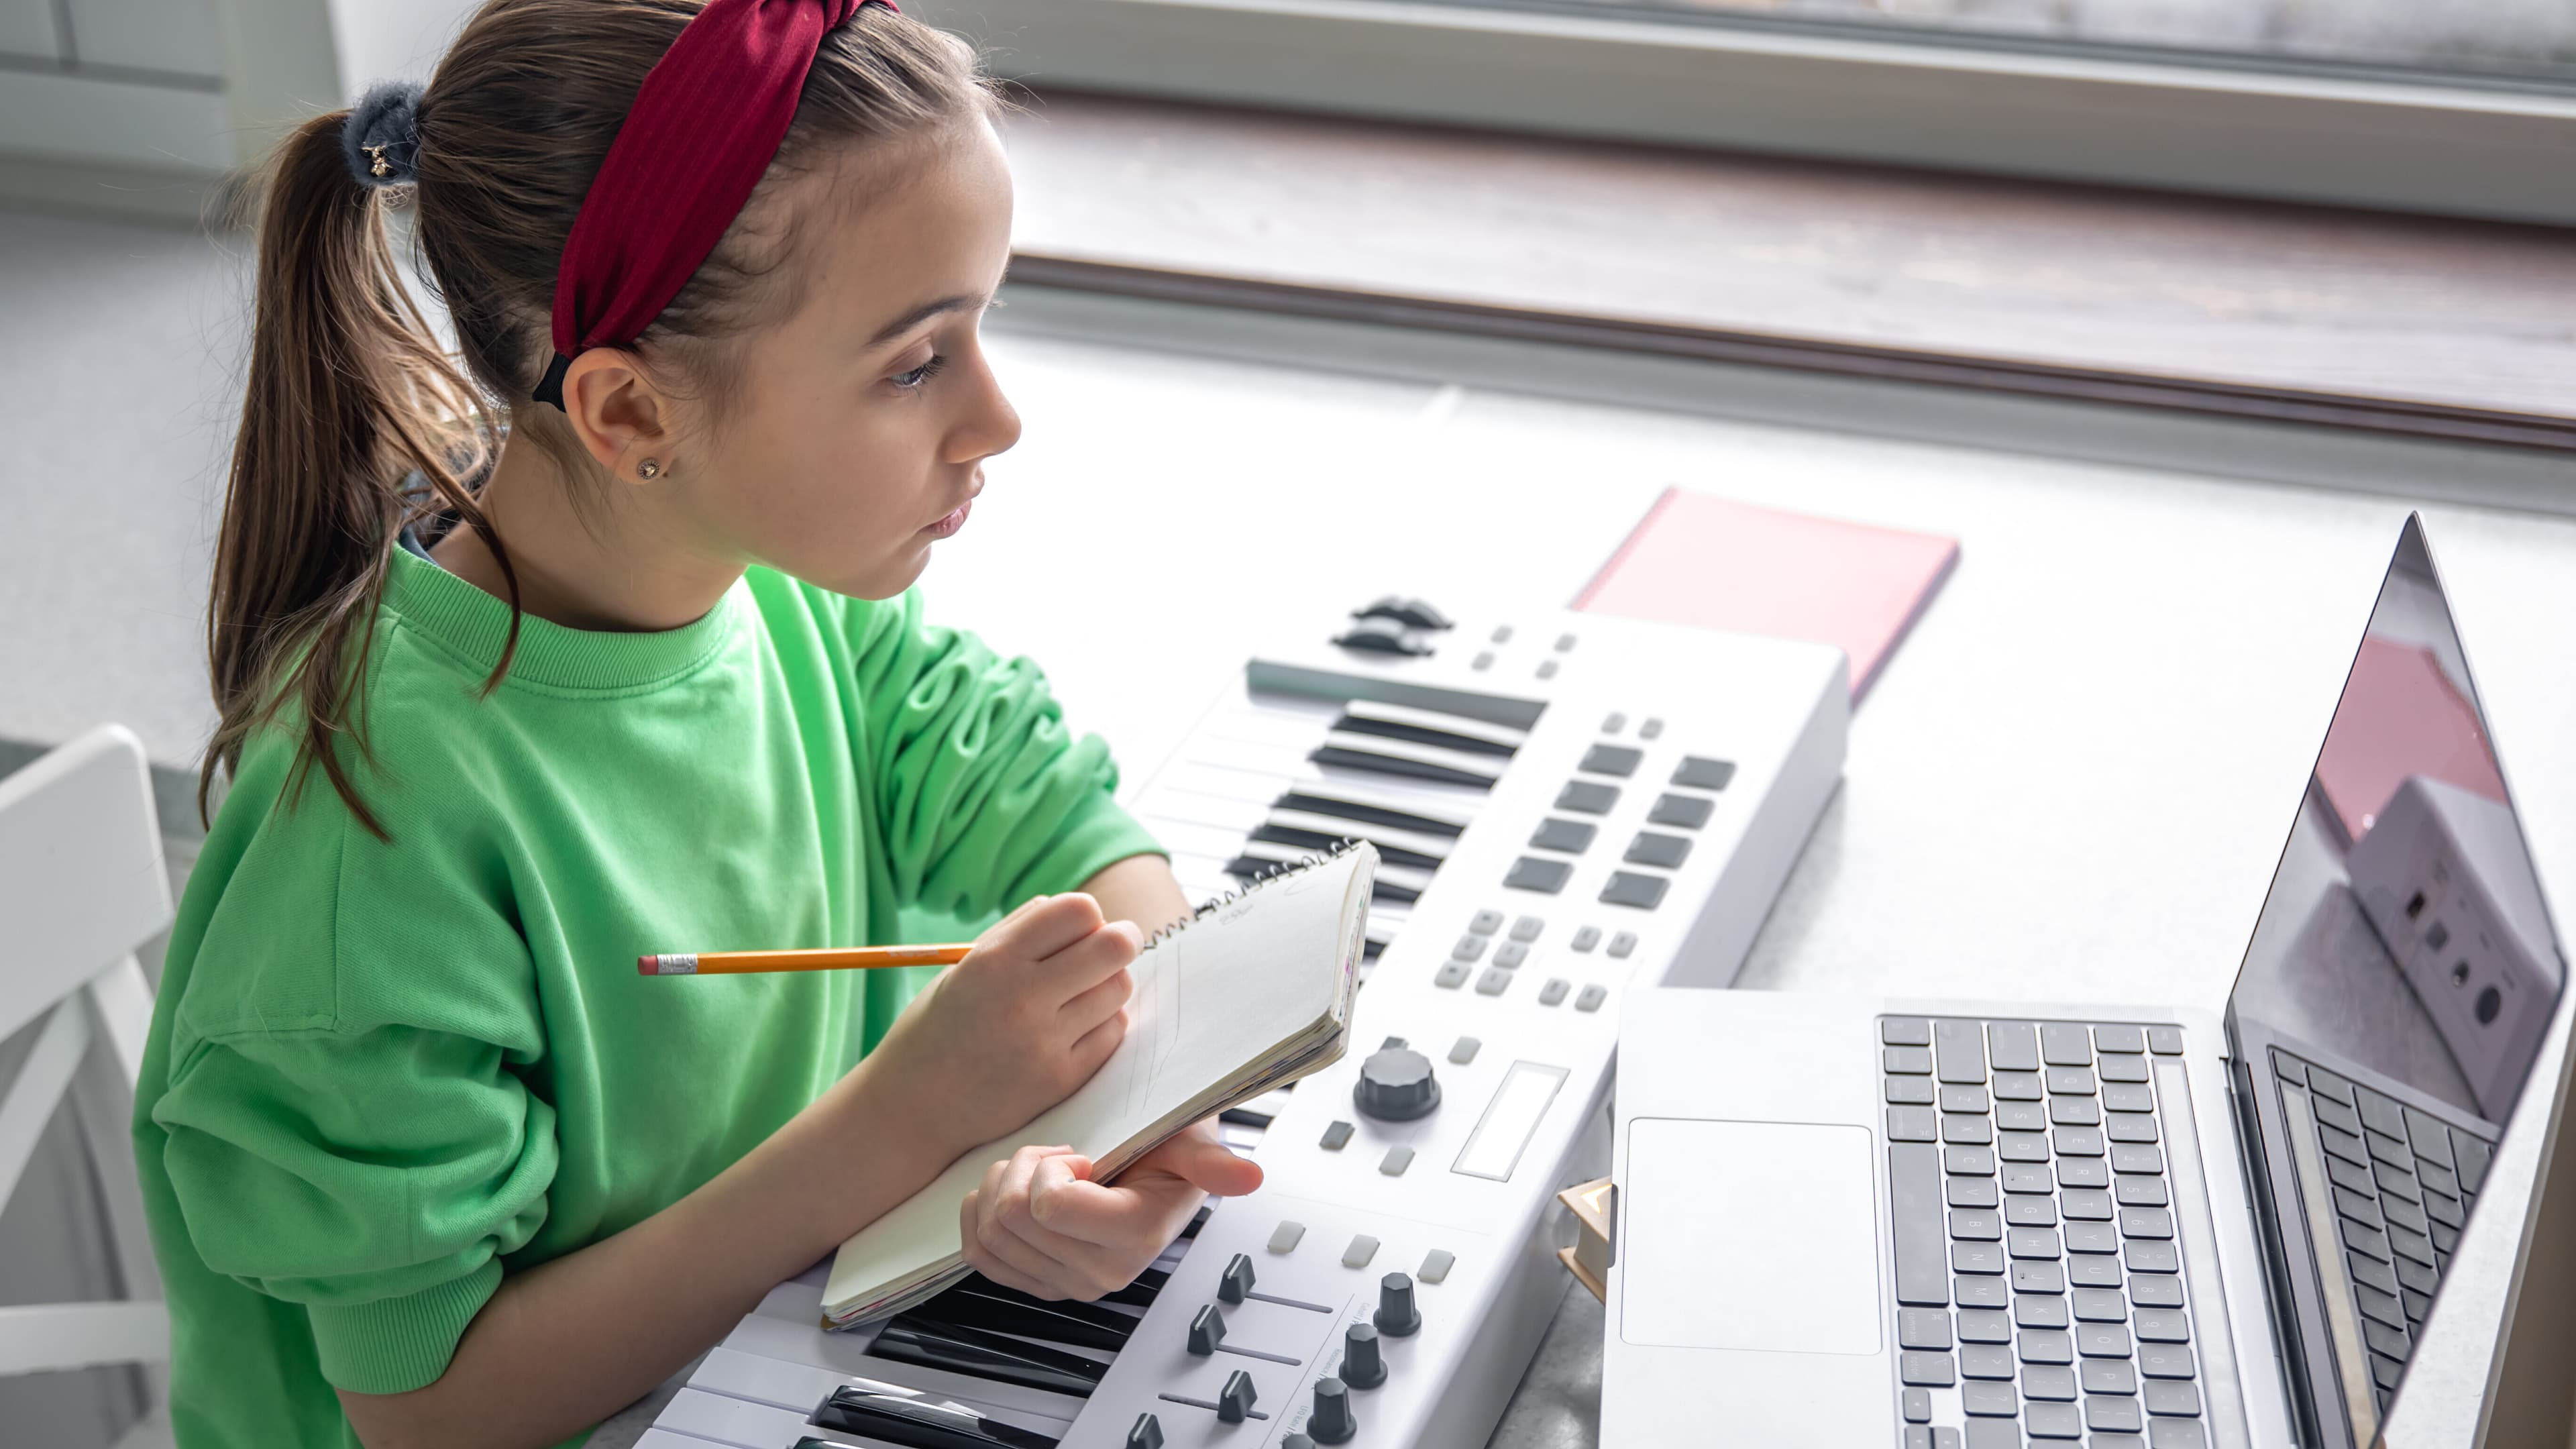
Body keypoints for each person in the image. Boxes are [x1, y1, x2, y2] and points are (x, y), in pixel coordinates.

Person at [129, 3, 1258, 1445]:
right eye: (917, 364)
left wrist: (1157, 1102)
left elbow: (1051, 804)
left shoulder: (791, 600)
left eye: (981, 328)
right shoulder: (371, 843)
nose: (998, 418)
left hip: (755, 1371)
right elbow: (431, 1408)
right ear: (627, 414)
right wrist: (903, 1129)